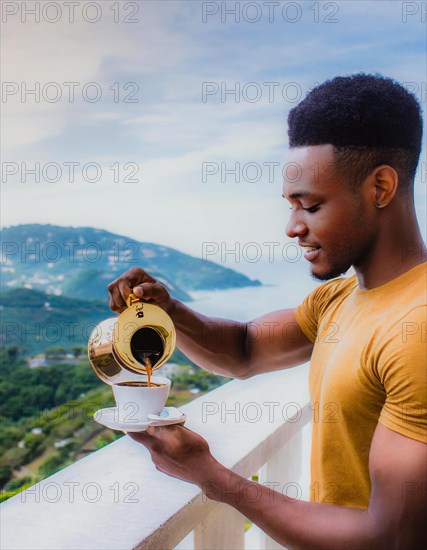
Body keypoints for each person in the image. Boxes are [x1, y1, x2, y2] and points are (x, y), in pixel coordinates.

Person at [108, 74, 426, 548]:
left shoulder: (417, 328)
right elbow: (243, 350)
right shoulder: (336, 299)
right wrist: (168, 308)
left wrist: (211, 477)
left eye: (311, 205)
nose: (292, 227)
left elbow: (391, 537)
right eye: (291, 205)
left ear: (380, 187)